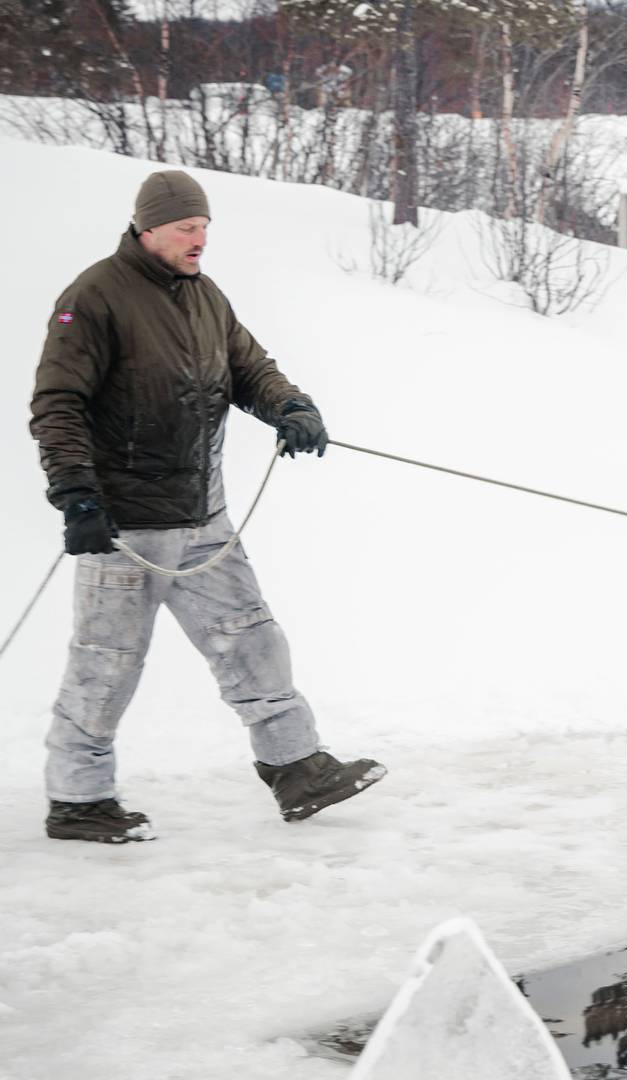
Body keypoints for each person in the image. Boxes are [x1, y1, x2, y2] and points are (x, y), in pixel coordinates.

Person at [29, 169, 385, 844]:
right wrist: (74, 491)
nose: (200, 240)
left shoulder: (203, 296)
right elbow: (59, 402)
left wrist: (291, 406)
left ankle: (295, 766)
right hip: (126, 527)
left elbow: (249, 366)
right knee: (106, 664)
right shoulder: (95, 297)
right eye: (188, 227)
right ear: (149, 227)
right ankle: (78, 798)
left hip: (202, 517)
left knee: (253, 641)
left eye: (205, 228)